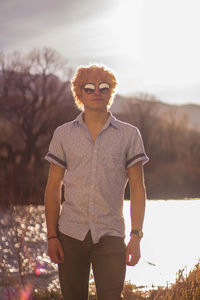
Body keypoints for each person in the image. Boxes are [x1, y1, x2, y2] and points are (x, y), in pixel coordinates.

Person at [44, 64, 149, 300]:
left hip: (111, 234)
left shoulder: (129, 135)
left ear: (111, 91)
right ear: (79, 93)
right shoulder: (63, 134)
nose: (96, 92)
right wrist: (52, 236)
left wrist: (136, 236)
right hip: (70, 234)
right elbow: (52, 188)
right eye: (89, 87)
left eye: (104, 87)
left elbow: (138, 189)